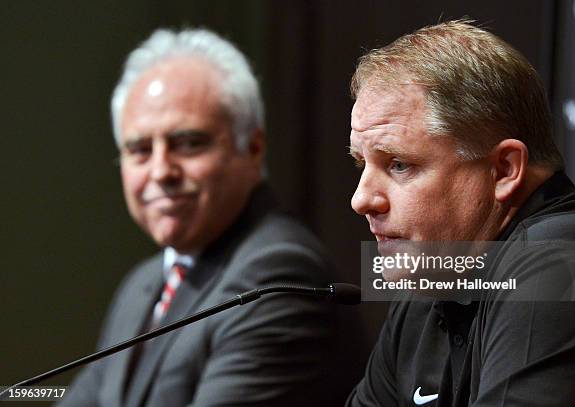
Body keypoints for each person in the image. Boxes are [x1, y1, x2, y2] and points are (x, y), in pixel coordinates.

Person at [59, 28, 365, 407]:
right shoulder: (142, 285)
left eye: (188, 143)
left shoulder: (278, 275)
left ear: (252, 148)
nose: (160, 171)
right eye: (139, 149)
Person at [346, 20, 575, 406]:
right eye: (362, 165)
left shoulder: (571, 262)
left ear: (503, 170)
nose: (361, 199)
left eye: (399, 164)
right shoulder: (432, 278)